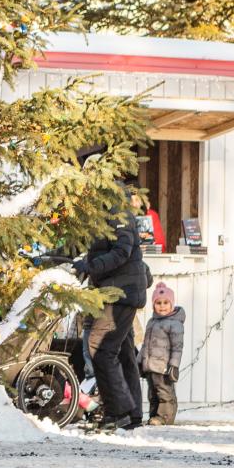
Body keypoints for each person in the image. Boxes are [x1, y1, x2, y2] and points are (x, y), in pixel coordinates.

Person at [73, 183, 150, 433]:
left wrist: (91, 267)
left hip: (121, 293)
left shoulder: (119, 213)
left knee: (101, 348)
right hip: (118, 290)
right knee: (123, 351)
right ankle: (132, 414)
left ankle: (119, 411)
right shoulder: (99, 217)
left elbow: (122, 251)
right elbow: (78, 248)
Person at [139, 282, 184, 425]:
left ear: (172, 304)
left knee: (165, 392)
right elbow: (145, 345)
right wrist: (140, 361)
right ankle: (155, 416)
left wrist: (174, 365)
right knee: (153, 394)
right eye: (158, 303)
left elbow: (177, 347)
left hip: (164, 367)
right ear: (153, 305)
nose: (162, 306)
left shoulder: (174, 323)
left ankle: (164, 417)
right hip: (151, 366)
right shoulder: (152, 322)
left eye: (166, 302)